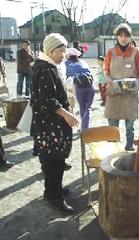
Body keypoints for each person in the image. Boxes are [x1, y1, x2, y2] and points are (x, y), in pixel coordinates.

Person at [31, 33, 79, 214]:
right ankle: (55, 198)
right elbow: (47, 101)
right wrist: (66, 114)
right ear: (50, 50)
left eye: (64, 51)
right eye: (60, 51)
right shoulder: (45, 69)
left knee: (51, 161)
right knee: (54, 162)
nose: (64, 55)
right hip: (50, 126)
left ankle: (51, 190)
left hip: (48, 125)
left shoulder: (48, 65)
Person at [104, 23, 139, 151]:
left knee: (129, 125)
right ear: (117, 37)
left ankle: (129, 146)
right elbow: (105, 69)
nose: (123, 38)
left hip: (130, 93)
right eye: (121, 36)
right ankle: (113, 149)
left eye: (126, 36)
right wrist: (108, 79)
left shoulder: (136, 52)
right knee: (112, 125)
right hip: (114, 92)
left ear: (130, 37)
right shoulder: (110, 52)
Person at [65, 48, 95, 130]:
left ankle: (84, 128)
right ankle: (86, 126)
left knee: (82, 106)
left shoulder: (66, 64)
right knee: (88, 107)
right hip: (90, 85)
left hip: (79, 86)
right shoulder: (83, 62)